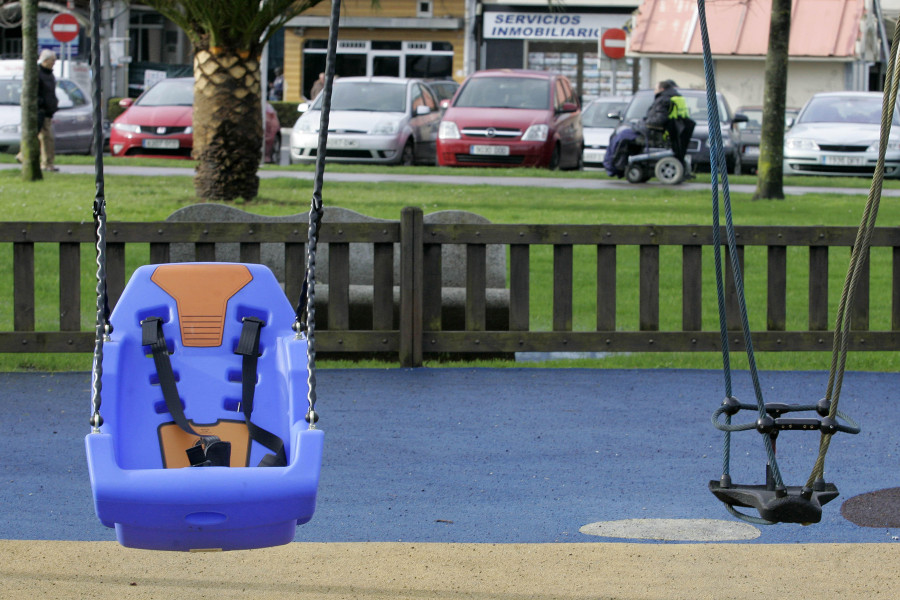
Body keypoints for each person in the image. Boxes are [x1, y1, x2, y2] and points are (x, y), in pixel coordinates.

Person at [17, 49, 59, 171]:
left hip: (48, 111)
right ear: (45, 61)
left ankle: (26, 156)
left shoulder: (49, 74)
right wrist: (41, 104)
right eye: (52, 61)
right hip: (41, 110)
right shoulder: (37, 73)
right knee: (45, 137)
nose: (54, 63)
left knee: (45, 137)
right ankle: (45, 163)